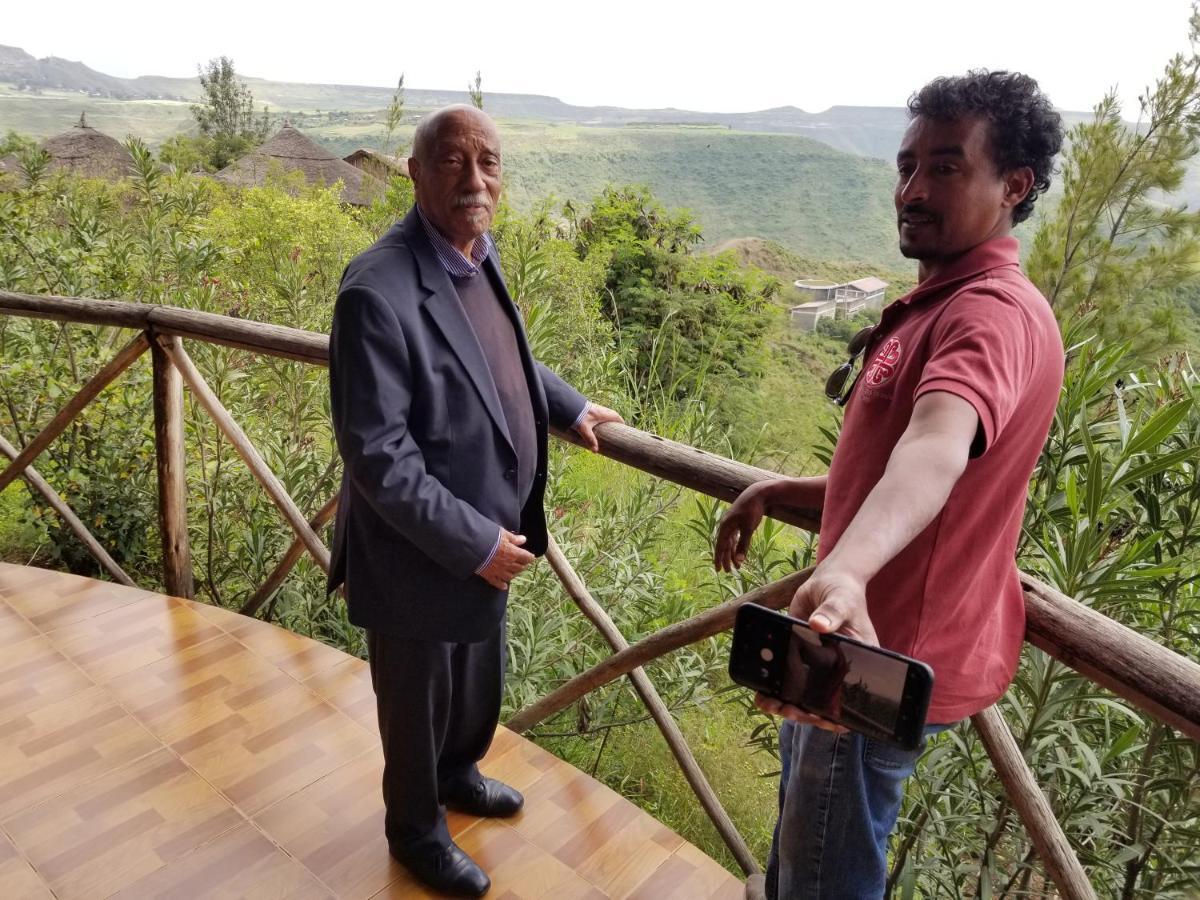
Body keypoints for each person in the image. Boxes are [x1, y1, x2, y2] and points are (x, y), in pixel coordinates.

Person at [715, 71, 1065, 899]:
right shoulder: (943, 302)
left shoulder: (990, 316)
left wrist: (842, 570)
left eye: (946, 168)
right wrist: (784, 493)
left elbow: (937, 449)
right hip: (847, 629)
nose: (911, 190)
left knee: (822, 879)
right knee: (803, 857)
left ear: (1014, 186)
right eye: (906, 166)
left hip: (874, 655)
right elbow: (887, 469)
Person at [328, 104, 622, 897]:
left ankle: (458, 775)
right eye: (452, 161)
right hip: (421, 547)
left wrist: (567, 405)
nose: (474, 178)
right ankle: (414, 831)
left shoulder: (473, 254)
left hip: (486, 536)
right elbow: (377, 456)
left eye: (487, 162)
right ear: (415, 172)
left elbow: (500, 356)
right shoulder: (377, 290)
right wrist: (475, 544)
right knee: (415, 703)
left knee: (468, 685)